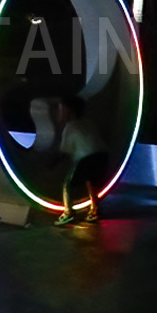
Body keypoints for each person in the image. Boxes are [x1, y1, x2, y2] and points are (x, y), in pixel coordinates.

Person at [52, 94, 108, 226]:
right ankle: (94, 210)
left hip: (86, 158)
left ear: (68, 111)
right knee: (91, 183)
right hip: (102, 155)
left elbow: (65, 151)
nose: (59, 114)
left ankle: (68, 213)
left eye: (61, 110)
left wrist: (53, 163)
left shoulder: (70, 127)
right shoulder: (87, 122)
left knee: (68, 185)